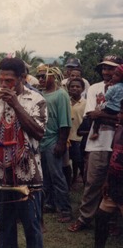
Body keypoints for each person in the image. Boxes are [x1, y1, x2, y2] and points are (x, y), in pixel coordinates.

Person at [0, 58, 47, 248]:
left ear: (22, 78)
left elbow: (39, 132)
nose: (3, 85)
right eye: (0, 80)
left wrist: (16, 105)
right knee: (5, 226)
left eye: (9, 81)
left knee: (31, 226)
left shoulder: (37, 100)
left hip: (28, 174)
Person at [68, 55, 123, 232]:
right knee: (92, 183)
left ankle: (112, 221)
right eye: (104, 68)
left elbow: (104, 116)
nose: (107, 72)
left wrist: (104, 116)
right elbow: (91, 114)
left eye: (111, 69)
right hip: (98, 142)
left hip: (119, 144)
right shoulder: (94, 88)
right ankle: (85, 218)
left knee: (117, 184)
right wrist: (113, 118)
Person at [36, 64, 73, 223]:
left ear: (53, 76)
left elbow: (65, 122)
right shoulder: (39, 94)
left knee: (57, 176)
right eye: (39, 76)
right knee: (44, 177)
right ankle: (49, 203)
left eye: (44, 76)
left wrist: (61, 143)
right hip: (41, 141)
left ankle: (65, 210)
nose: (41, 79)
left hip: (54, 141)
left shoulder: (61, 95)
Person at [94, 99, 123, 247]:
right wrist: (107, 181)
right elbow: (113, 157)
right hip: (113, 185)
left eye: (122, 112)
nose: (119, 115)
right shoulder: (119, 130)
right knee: (101, 219)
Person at [90, 64, 123, 140]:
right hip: (119, 110)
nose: (113, 76)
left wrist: (106, 88)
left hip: (110, 107)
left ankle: (95, 132)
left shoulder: (114, 87)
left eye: (116, 75)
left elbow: (107, 97)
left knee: (97, 116)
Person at [67, 78, 87, 185]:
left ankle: (83, 181)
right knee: (68, 161)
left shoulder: (85, 103)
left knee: (79, 161)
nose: (75, 88)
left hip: (79, 137)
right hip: (67, 137)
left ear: (83, 89)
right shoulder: (66, 102)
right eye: (72, 86)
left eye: (78, 86)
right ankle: (72, 179)